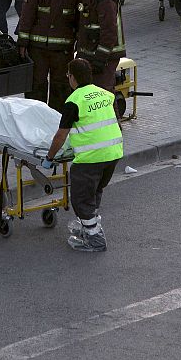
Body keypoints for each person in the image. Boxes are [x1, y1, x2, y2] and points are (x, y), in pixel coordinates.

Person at [42, 58, 123, 252]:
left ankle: (95, 239)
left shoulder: (74, 101)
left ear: (73, 77)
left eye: (68, 75)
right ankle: (88, 228)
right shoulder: (105, 94)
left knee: (81, 199)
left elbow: (61, 135)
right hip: (113, 153)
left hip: (91, 158)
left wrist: (49, 158)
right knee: (94, 193)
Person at [17, 0, 80, 111]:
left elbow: (80, 19)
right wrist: (22, 42)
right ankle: (33, 123)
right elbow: (27, 13)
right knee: (35, 87)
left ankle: (55, 124)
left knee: (61, 88)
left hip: (63, 50)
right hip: (37, 48)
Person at [76, 0, 125, 92]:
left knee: (104, 92)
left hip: (106, 55)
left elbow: (109, 31)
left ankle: (113, 115)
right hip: (92, 52)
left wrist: (100, 59)